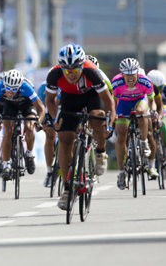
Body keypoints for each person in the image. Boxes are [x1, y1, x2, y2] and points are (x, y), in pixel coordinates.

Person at [45, 43, 115, 210]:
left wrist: (110, 121)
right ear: (61, 67)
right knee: (64, 138)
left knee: (96, 118)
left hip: (92, 96)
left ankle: (100, 152)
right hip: (70, 98)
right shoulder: (54, 74)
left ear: (82, 66)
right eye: (67, 70)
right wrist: (55, 119)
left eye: (75, 70)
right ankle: (67, 187)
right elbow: (49, 101)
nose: (71, 74)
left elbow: (108, 101)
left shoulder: (91, 71)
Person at [0, 69, 45, 180]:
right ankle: (6, 164)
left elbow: (41, 108)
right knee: (8, 132)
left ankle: (29, 154)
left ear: (19, 86)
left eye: (14, 89)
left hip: (27, 105)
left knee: (29, 127)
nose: (10, 91)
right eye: (8, 88)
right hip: (10, 106)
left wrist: (39, 121)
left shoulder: (26, 87)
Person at [113, 58, 158, 189]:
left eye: (132, 73)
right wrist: (115, 115)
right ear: (122, 74)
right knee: (121, 135)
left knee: (141, 112)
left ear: (137, 72)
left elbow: (151, 101)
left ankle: (143, 143)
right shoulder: (116, 82)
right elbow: (114, 102)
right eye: (126, 74)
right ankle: (121, 172)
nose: (130, 77)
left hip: (140, 101)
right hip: (124, 104)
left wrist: (153, 111)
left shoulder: (145, 81)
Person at [147, 69, 166, 165]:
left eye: (161, 88)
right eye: (156, 88)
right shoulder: (145, 88)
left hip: (163, 105)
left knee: (165, 122)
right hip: (151, 104)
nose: (159, 91)